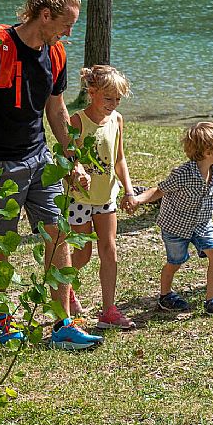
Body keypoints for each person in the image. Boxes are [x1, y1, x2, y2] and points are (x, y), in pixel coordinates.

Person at [0, 0, 102, 350]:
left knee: (59, 236)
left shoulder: (55, 54)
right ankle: (1, 322)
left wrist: (72, 158)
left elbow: (55, 111)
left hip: (41, 161)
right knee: (1, 246)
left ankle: (63, 324)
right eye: (65, 25)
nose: (68, 34)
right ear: (43, 15)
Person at [126, 122, 213, 315]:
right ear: (207, 152)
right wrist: (138, 200)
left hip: (202, 225)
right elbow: (159, 190)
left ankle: (211, 300)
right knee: (175, 262)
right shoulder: (183, 174)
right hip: (175, 227)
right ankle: (165, 296)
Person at [66, 65, 137, 330]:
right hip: (80, 199)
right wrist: (77, 172)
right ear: (92, 92)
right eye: (108, 98)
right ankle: (65, 287)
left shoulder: (117, 120)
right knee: (82, 254)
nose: (113, 104)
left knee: (110, 251)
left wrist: (129, 190)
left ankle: (109, 310)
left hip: (107, 197)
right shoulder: (77, 121)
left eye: (117, 99)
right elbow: (68, 158)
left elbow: (119, 158)